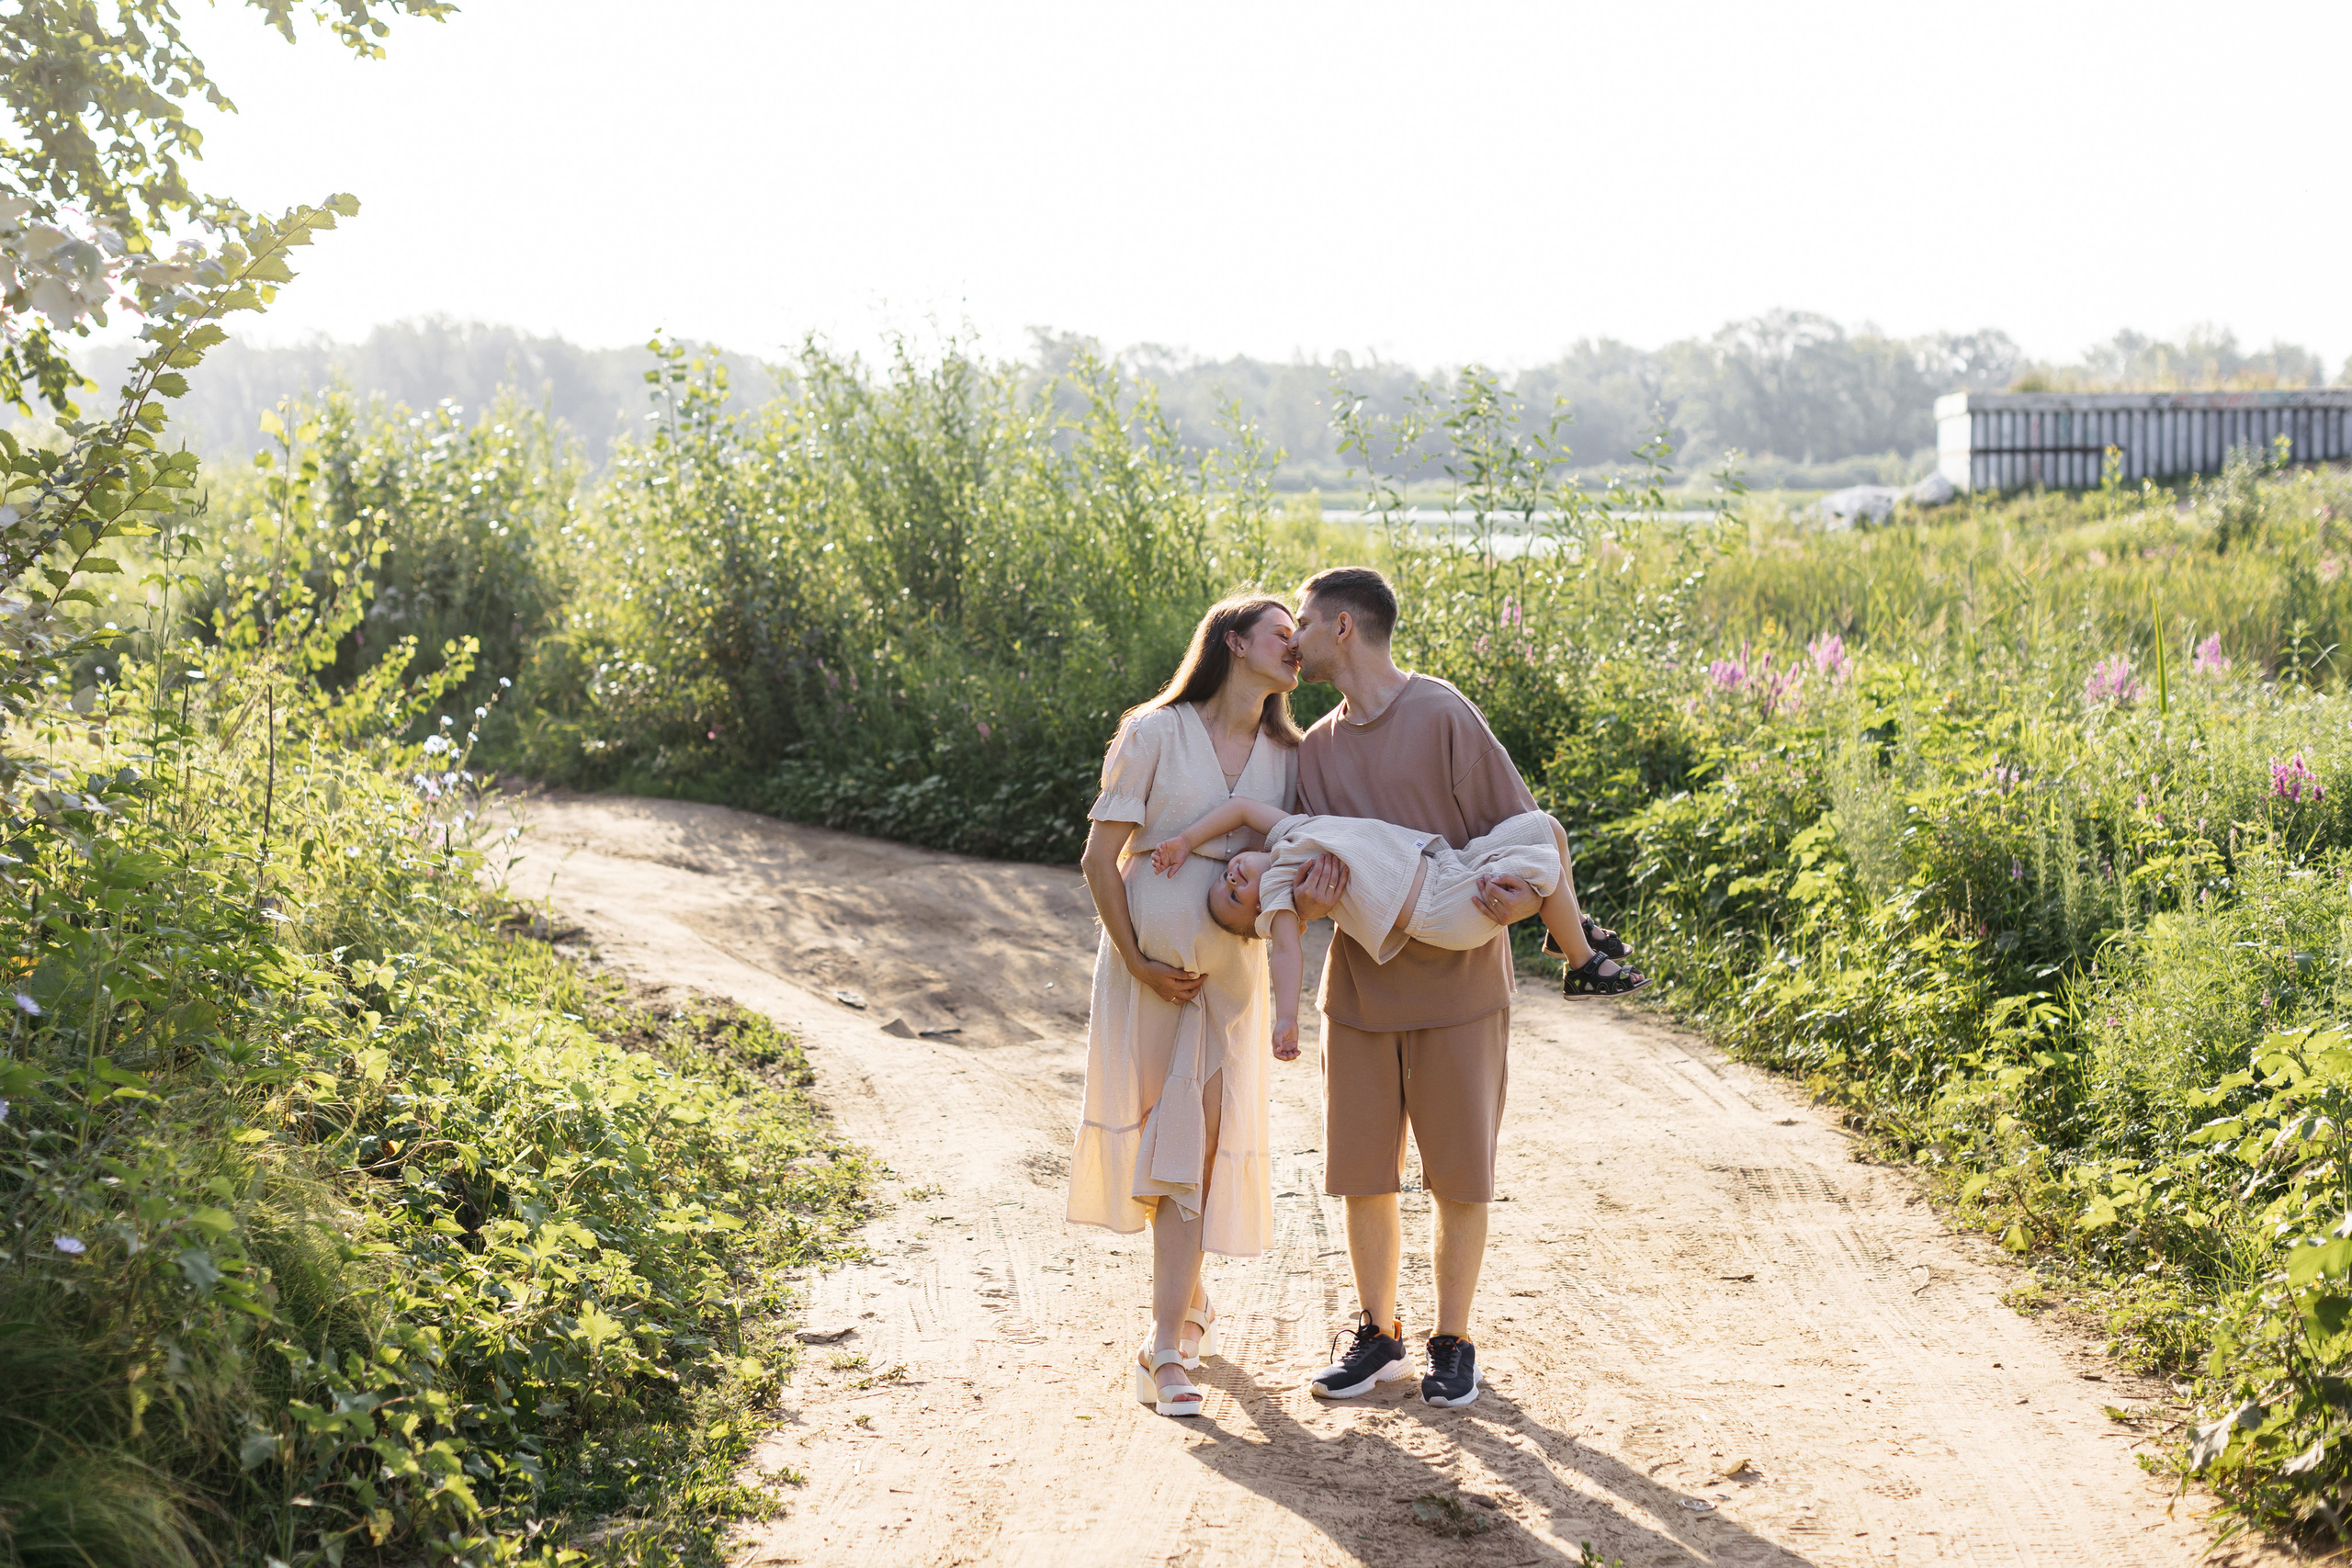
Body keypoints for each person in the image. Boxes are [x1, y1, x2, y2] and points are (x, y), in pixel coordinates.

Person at [1286, 566, 1631, 1411]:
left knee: (1460, 1178)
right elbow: (1308, 881)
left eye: (1303, 620)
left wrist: (1523, 903)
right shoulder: (1314, 750)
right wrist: (1313, 899)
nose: (1294, 636)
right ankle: (1378, 1335)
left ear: (1342, 627)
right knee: (1362, 1176)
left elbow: (1527, 841)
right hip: (1360, 993)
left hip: (1462, 992)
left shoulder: (1443, 713)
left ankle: (1454, 1340)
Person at [1067, 593, 1345, 1418]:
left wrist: (1318, 896)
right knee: (1169, 1142)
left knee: (1200, 1143)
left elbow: (1296, 875)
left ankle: (1162, 1346)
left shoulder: (1290, 755)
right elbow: (1099, 860)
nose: (1295, 647)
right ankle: (1184, 1307)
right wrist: (1139, 961)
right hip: (1146, 976)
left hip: (1229, 981)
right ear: (1233, 642)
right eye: (1281, 633)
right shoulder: (1155, 731)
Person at [1147, 795, 1647, 1057]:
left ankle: (1570, 930)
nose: (1232, 879)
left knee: (1545, 828)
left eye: (1224, 878)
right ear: (1261, 912)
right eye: (1236, 898)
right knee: (1543, 864)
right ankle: (1582, 967)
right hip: (1441, 909)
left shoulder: (1287, 834)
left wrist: (1186, 841)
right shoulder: (1282, 890)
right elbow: (1285, 952)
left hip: (1448, 866)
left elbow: (1238, 808)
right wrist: (1286, 1018)